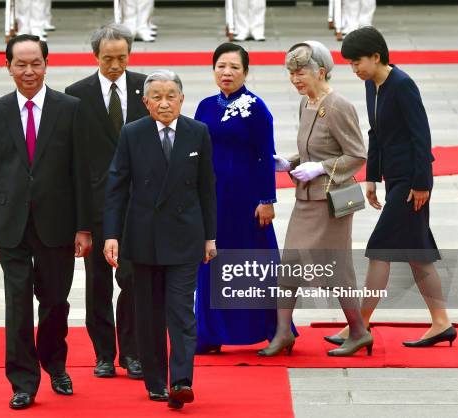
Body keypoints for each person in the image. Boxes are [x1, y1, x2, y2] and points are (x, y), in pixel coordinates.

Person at [0, 34, 92, 409]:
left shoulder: (70, 108)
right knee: (17, 306)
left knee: (56, 302)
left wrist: (84, 226)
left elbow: (82, 172)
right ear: (8, 66)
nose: (28, 71)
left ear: (46, 64)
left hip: (57, 223)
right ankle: (22, 382)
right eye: (20, 64)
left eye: (35, 63)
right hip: (10, 222)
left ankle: (54, 363)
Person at [327, 26, 457, 348]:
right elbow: (376, 133)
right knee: (418, 255)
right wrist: (373, 177)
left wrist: (422, 183)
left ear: (376, 56)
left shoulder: (402, 86)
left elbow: (420, 136)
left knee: (379, 249)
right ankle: (441, 323)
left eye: (358, 62)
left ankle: (360, 326)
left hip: (412, 183)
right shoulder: (373, 85)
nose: (354, 69)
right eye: (350, 63)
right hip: (395, 180)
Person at [103, 70, 217, 409]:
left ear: (182, 99)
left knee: (181, 311)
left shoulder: (198, 132)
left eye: (171, 96)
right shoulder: (132, 133)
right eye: (157, 97)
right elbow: (116, 188)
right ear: (145, 102)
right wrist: (112, 235)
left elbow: (206, 189)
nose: (165, 103)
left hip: (186, 238)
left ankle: (181, 380)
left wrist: (210, 237)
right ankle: (155, 382)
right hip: (144, 239)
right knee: (149, 314)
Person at [258, 40, 372, 357]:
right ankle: (283, 333)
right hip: (306, 199)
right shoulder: (306, 103)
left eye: (300, 73)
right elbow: (312, 149)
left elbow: (356, 154)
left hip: (333, 201)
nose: (295, 79)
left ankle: (360, 331)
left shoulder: (338, 106)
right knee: (290, 267)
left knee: (335, 270)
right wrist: (291, 162)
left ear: (320, 71)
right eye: (291, 73)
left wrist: (320, 168)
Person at [65, 23, 148, 380]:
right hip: (97, 207)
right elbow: (74, 161)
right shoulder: (76, 94)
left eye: (122, 58)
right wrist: (79, 223)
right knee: (97, 283)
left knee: (132, 281)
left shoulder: (146, 86)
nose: (115, 65)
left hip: (138, 206)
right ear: (95, 56)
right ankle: (103, 353)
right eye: (108, 58)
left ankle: (131, 352)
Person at [193, 43, 283, 354]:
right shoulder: (205, 106)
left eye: (234, 67)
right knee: (212, 258)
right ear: (213, 69)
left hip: (247, 200)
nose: (227, 72)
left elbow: (264, 155)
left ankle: (272, 329)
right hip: (212, 197)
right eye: (221, 66)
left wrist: (267, 198)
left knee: (251, 263)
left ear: (245, 71)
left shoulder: (256, 108)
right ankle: (210, 333)